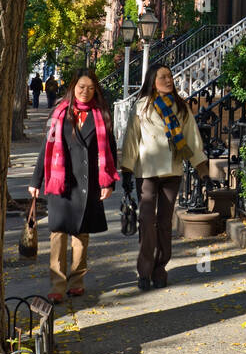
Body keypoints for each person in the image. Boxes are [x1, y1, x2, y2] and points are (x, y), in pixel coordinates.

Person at [29, 69, 118, 303]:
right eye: (81, 87)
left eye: (90, 88)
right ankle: (57, 285)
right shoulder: (59, 112)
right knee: (57, 233)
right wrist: (36, 181)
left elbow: (110, 149)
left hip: (87, 182)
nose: (85, 92)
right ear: (73, 88)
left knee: (81, 234)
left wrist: (108, 182)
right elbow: (45, 148)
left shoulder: (101, 115)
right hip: (60, 181)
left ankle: (77, 281)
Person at [120, 63, 209, 291]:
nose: (169, 80)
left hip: (172, 170)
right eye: (163, 77)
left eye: (170, 76)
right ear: (152, 80)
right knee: (147, 222)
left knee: (165, 223)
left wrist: (202, 168)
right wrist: (127, 171)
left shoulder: (181, 107)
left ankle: (160, 269)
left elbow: (192, 138)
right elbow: (132, 139)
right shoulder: (141, 107)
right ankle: (144, 270)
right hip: (147, 171)